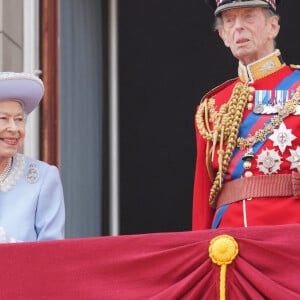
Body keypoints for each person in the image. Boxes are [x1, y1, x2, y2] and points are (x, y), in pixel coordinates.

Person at [193, 0, 300, 230]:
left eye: (249, 16)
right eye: (230, 21)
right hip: (229, 248)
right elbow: (203, 202)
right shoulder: (212, 106)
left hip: (290, 244)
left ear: (273, 26)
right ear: (223, 35)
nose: (238, 27)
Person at [0, 72, 65, 242]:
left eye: (19, 119)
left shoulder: (43, 177)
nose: (14, 128)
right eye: (4, 118)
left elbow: (52, 253)